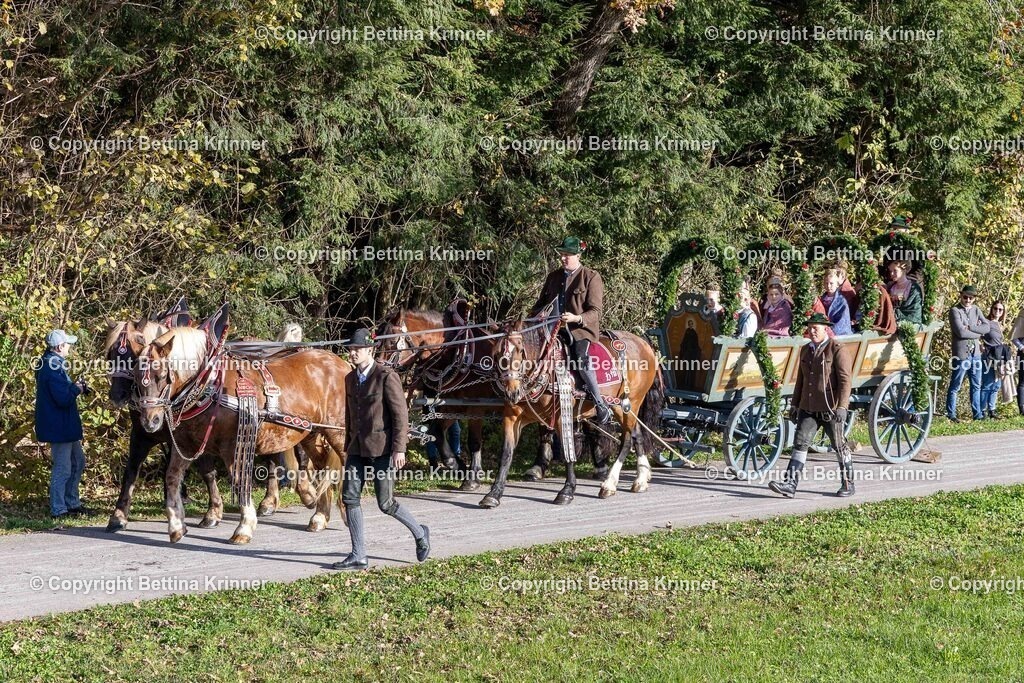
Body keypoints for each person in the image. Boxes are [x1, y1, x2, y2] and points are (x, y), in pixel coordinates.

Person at [332, 328, 430, 571]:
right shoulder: (349, 378)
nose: (353, 353)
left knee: (385, 503)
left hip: (383, 450)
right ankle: (358, 555)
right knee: (349, 498)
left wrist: (400, 449)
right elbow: (349, 414)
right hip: (356, 448)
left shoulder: (386, 376)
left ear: (370, 350)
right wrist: (347, 446)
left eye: (357, 349)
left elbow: (400, 416)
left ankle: (420, 534)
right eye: (350, 349)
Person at [768, 313, 855, 498]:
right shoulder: (806, 350)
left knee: (839, 445)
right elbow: (801, 380)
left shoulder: (837, 349)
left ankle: (848, 483)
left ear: (826, 329)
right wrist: (795, 405)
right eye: (810, 328)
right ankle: (790, 484)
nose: (812, 331)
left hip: (830, 408)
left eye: (816, 328)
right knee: (800, 443)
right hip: (808, 407)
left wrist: (842, 407)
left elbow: (846, 381)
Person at [530, 236, 611, 424]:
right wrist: (535, 317)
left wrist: (576, 318)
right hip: (551, 330)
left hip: (579, 331)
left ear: (578, 255)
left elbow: (595, 312)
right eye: (562, 254)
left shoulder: (591, 277)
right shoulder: (553, 277)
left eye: (567, 255)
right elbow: (539, 305)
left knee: (581, 358)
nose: (563, 258)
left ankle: (600, 404)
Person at [34, 330, 92, 520]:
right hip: (59, 426)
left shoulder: (52, 363)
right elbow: (62, 398)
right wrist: (76, 388)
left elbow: (61, 392)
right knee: (63, 468)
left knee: (78, 462)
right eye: (67, 344)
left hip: (64, 425)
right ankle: (59, 509)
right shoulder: (52, 367)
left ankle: (72, 503)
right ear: (60, 347)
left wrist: (75, 386)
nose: (70, 347)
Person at [946, 285, 990, 422]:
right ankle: (951, 414)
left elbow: (987, 327)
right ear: (961, 296)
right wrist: (978, 333)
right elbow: (960, 332)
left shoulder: (976, 310)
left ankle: (977, 415)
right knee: (956, 385)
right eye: (965, 297)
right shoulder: (955, 311)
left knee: (976, 385)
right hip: (961, 354)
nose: (968, 300)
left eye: (971, 298)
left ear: (974, 299)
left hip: (976, 353)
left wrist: (971, 327)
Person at [981, 301, 1010, 418]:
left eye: (1000, 310)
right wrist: (979, 345)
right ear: (991, 309)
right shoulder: (986, 322)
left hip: (999, 356)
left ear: (1003, 312)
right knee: (987, 384)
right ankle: (982, 411)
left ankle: (992, 410)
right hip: (989, 356)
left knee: (996, 384)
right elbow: (977, 334)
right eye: (995, 308)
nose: (997, 311)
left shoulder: (1000, 324)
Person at [813, 268, 853, 336]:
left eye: (831, 283)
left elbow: (842, 321)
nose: (828, 286)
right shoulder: (822, 299)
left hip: (839, 334)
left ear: (837, 284)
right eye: (826, 283)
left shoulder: (841, 301)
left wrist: (831, 331)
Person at [886, 259, 924, 324]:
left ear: (903, 269)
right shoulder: (891, 287)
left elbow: (914, 311)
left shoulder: (913, 288)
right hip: (891, 321)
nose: (892, 274)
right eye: (890, 271)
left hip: (909, 323)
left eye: (895, 271)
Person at [1009, 307, 1024, 416]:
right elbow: (1014, 337)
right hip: (1023, 354)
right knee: (1023, 382)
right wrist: (1022, 348)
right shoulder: (1023, 313)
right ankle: (1022, 409)